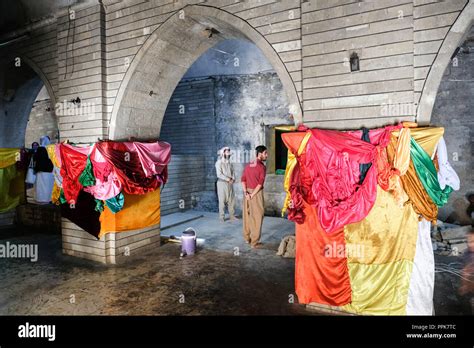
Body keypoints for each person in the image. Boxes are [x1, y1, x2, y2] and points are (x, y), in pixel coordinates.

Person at [241, 145, 268, 248]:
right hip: (256, 194)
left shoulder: (248, 165)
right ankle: (254, 242)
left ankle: (247, 239)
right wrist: (252, 195)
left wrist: (246, 193)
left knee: (247, 215)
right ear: (260, 154)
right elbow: (260, 184)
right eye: (265, 153)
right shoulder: (262, 167)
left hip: (246, 193)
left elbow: (243, 179)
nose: (267, 155)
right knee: (257, 216)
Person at [215, 146, 237, 222]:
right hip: (222, 183)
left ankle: (232, 216)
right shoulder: (219, 162)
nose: (228, 153)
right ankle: (222, 217)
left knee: (231, 200)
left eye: (229, 151)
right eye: (226, 151)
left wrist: (233, 179)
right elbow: (219, 174)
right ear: (223, 153)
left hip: (230, 184)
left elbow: (233, 172)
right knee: (222, 201)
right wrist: (228, 179)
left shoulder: (230, 163)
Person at [33, 136, 54, 204]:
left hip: (40, 171)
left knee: (41, 186)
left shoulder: (39, 149)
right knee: (47, 186)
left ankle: (40, 199)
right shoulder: (48, 149)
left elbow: (35, 159)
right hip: (48, 171)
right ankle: (47, 199)